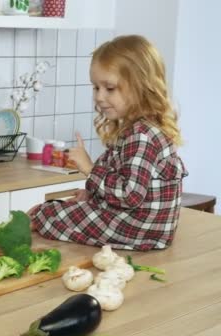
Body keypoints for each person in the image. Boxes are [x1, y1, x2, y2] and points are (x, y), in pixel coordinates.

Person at [29, 35, 187, 251]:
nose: (99, 97)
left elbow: (130, 195)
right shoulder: (138, 130)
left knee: (47, 213)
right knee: (56, 209)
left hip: (138, 228)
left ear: (141, 87)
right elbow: (126, 180)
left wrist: (90, 169)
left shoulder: (141, 135)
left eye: (110, 88)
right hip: (141, 225)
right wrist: (92, 194)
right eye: (96, 87)